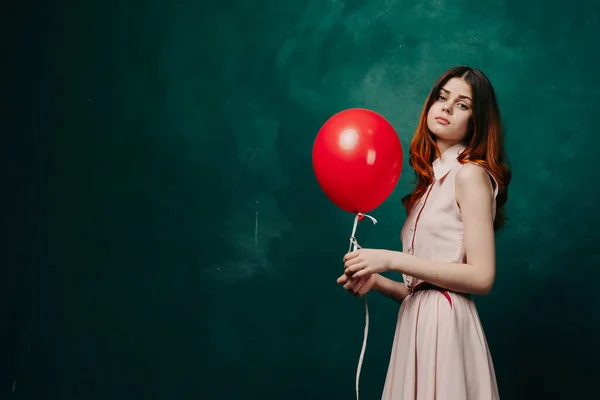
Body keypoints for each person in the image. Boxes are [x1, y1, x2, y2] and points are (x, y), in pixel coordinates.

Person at [337, 65, 511, 399]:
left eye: (463, 104)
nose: (446, 107)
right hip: (417, 327)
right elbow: (424, 294)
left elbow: (481, 277)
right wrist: (378, 281)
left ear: (477, 122)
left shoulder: (470, 176)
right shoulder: (431, 184)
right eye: (442, 97)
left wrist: (391, 259)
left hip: (446, 331)